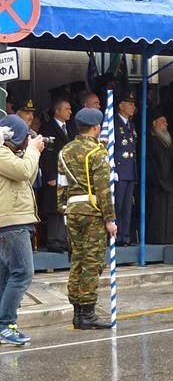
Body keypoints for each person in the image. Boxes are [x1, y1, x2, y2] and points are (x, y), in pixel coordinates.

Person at [57, 108, 117, 330]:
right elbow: (104, 189)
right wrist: (110, 219)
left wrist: (63, 208)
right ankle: (88, 313)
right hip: (92, 211)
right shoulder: (97, 152)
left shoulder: (65, 151)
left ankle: (78, 312)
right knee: (92, 262)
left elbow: (61, 185)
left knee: (78, 261)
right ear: (96, 128)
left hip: (72, 210)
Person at [0, 116, 44, 345]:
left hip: (13, 221)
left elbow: (30, 176)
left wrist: (29, 151)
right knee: (23, 272)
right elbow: (25, 172)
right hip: (11, 222)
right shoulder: (1, 153)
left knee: (6, 275)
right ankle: (6, 325)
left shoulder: (11, 154)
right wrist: (33, 151)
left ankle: (2, 325)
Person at [145, 107, 173, 245]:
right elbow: (163, 160)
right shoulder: (152, 139)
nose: (166, 124)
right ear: (154, 123)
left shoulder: (167, 139)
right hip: (159, 183)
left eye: (166, 122)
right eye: (163, 121)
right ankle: (162, 238)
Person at [40, 98, 75, 252]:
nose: (70, 111)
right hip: (55, 175)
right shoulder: (47, 128)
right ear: (57, 111)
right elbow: (46, 155)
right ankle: (53, 240)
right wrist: (50, 176)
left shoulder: (70, 128)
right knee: (54, 208)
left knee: (65, 207)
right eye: (66, 109)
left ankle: (62, 239)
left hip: (67, 175)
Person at [113, 91, 138, 246]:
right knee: (118, 205)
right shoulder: (114, 123)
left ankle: (125, 236)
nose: (133, 107)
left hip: (130, 170)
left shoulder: (131, 124)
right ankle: (116, 236)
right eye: (130, 104)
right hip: (119, 170)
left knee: (128, 206)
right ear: (121, 106)